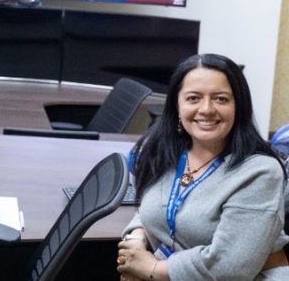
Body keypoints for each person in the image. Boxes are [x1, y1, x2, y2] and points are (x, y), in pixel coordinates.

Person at [117, 53, 289, 280]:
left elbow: (229, 268)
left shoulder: (260, 172)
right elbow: (159, 206)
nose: (206, 109)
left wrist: (152, 269)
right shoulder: (168, 152)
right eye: (193, 98)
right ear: (176, 105)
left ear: (239, 107)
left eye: (221, 99)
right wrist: (136, 240)